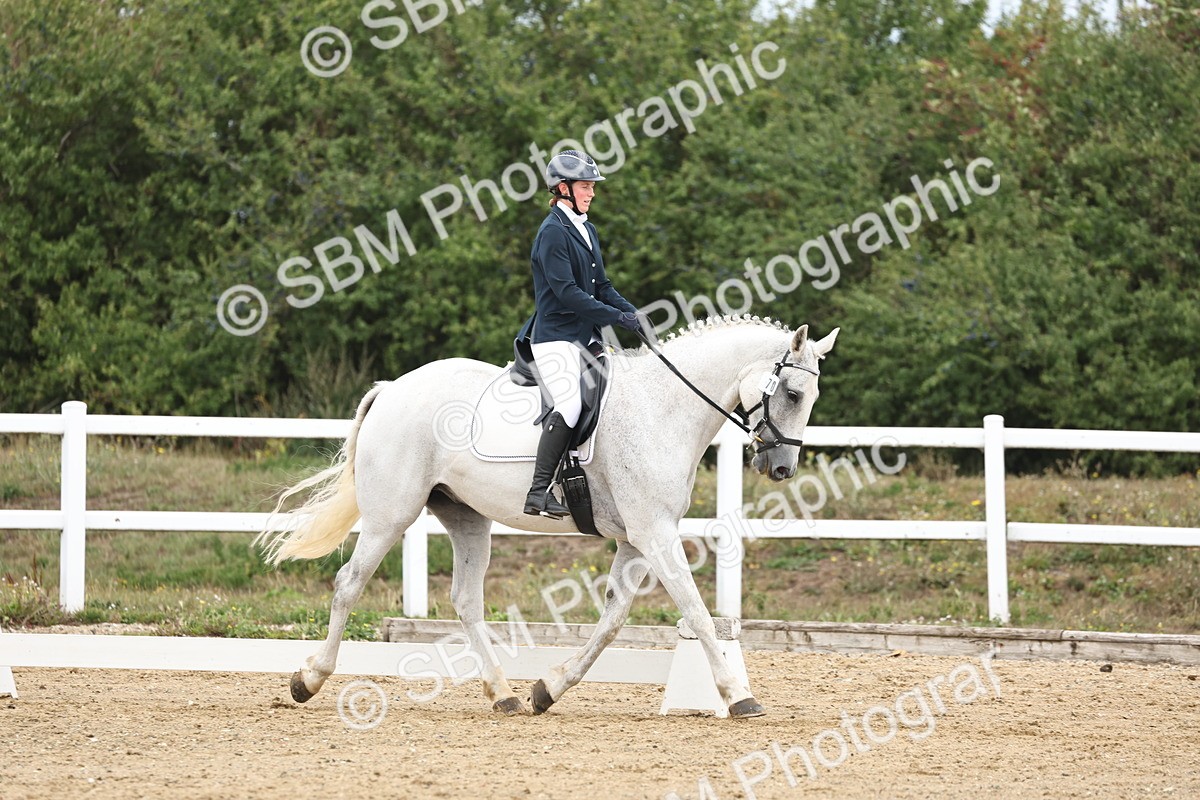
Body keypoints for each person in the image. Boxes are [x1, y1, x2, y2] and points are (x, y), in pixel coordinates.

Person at [519, 150, 642, 519]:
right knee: (569, 405)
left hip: (585, 338)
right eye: (586, 187)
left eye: (591, 187)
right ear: (563, 188)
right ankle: (538, 492)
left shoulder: (586, 229)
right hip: (555, 337)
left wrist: (634, 313)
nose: (592, 193)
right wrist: (615, 317)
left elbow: (601, 284)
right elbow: (568, 293)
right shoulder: (552, 232)